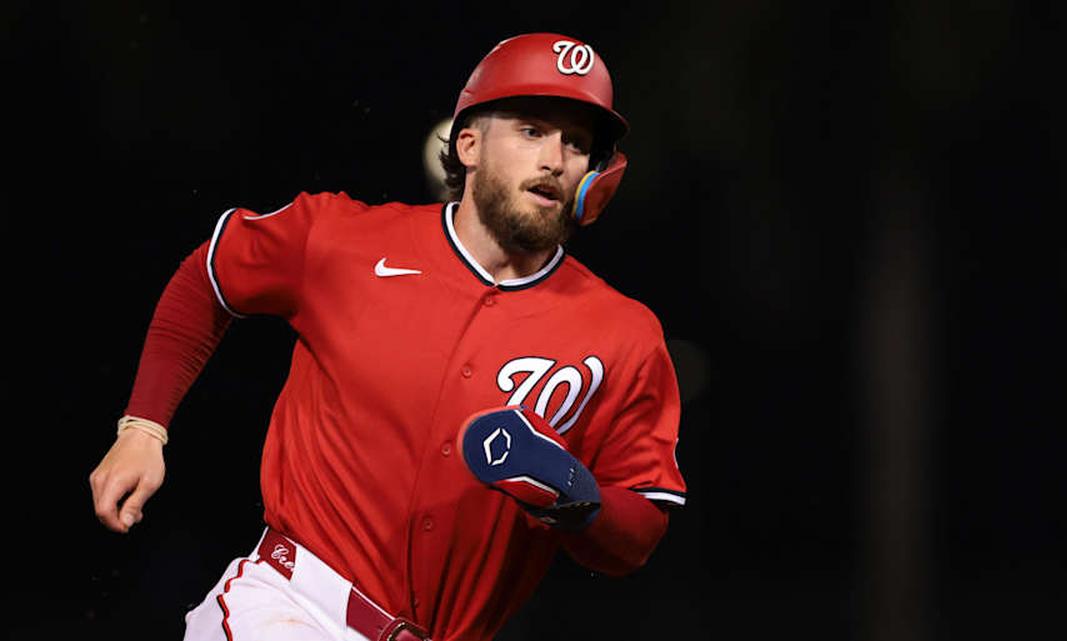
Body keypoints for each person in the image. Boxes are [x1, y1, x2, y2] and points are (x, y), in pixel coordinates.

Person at [89, 32, 686, 641]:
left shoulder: (623, 335)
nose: (556, 158)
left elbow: (639, 534)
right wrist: (143, 427)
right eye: (533, 130)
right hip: (290, 610)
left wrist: (574, 496)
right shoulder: (345, 241)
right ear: (469, 143)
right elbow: (209, 277)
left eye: (578, 143)